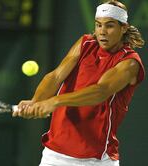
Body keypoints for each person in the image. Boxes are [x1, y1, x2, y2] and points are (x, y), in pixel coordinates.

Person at [12, 0, 144, 165]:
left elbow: (100, 91)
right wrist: (36, 101)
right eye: (98, 25)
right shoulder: (85, 44)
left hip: (96, 160)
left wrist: (55, 101)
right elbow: (56, 76)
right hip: (53, 155)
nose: (102, 32)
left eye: (109, 26)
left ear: (123, 27)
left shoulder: (130, 62)